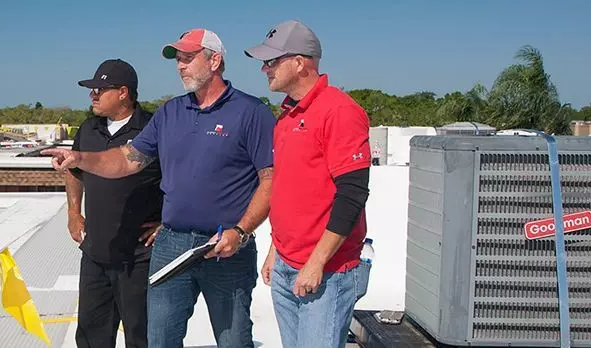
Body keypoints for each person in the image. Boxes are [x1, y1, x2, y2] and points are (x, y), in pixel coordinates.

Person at [43, 28, 275, 348]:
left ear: (215, 60)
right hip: (172, 247)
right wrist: (80, 157)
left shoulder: (252, 113)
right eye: (178, 59)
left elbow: (271, 180)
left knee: (233, 339)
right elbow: (127, 160)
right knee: (158, 340)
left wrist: (241, 231)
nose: (180, 65)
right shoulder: (170, 113)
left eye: (188, 58)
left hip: (227, 248)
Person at [244, 19, 373, 348]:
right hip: (289, 265)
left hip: (327, 272)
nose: (264, 69)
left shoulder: (340, 111)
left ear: (300, 62)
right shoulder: (286, 116)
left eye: (271, 61)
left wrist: (316, 263)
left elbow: (353, 194)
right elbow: (288, 190)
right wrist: (276, 250)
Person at [64, 58, 163, 348]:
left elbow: (181, 178)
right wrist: (73, 212)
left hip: (140, 257)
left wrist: (168, 222)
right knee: (91, 338)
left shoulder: (152, 128)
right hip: (96, 254)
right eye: (92, 89)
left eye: (100, 89)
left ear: (123, 92)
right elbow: (73, 171)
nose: (92, 94)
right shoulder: (88, 129)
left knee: (141, 337)